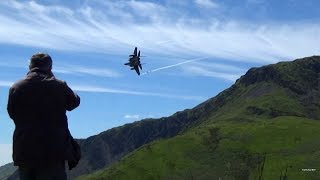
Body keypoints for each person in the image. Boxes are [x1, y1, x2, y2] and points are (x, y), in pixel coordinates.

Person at [7, 52, 81, 180]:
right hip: (53, 150)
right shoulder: (59, 85)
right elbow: (74, 102)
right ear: (50, 67)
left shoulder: (16, 87)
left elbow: (11, 113)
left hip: (25, 150)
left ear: (30, 66)